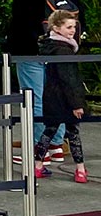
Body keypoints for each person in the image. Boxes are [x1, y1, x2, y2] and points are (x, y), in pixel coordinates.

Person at [7, 0, 67, 165]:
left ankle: (38, 149)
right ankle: (56, 145)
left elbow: (20, 25)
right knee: (55, 96)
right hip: (59, 49)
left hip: (30, 51)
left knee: (35, 99)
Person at [35, 10, 88, 183]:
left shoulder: (49, 46)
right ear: (57, 28)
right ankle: (80, 169)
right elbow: (69, 79)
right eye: (69, 27)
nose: (73, 30)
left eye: (74, 26)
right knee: (73, 132)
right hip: (65, 97)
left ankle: (37, 165)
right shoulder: (64, 50)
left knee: (49, 130)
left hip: (51, 94)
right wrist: (77, 103)